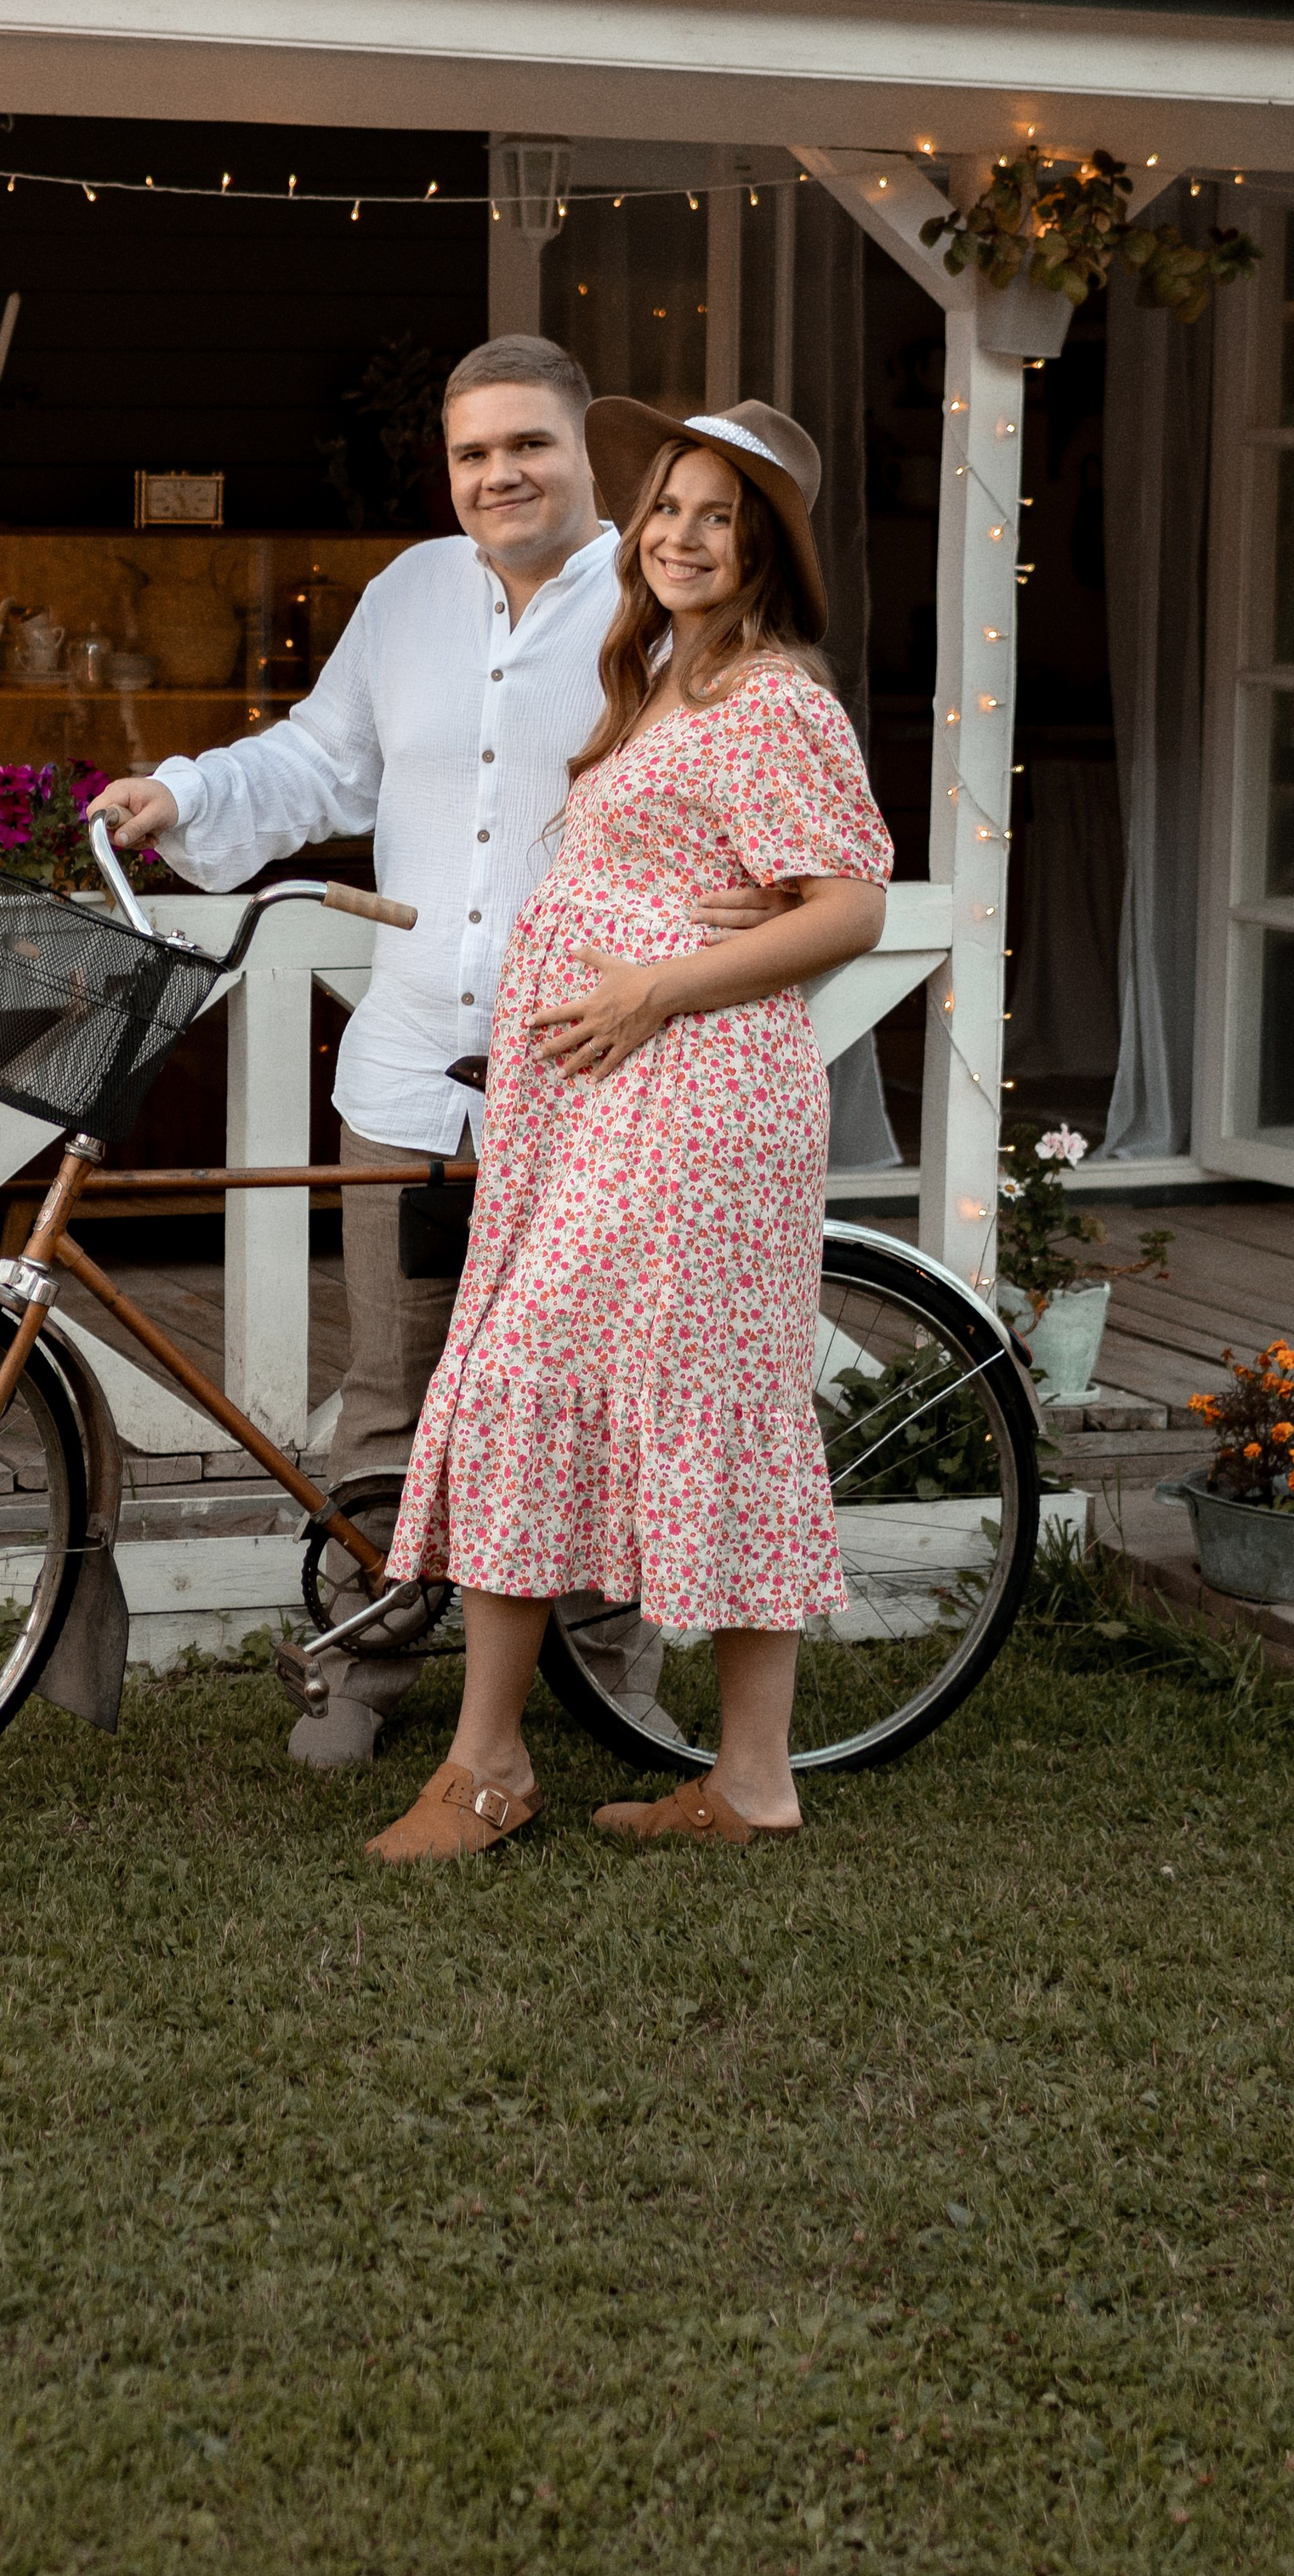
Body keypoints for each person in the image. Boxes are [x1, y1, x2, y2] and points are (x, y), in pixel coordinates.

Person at [87, 337, 793, 1764]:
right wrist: (184, 789)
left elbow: (754, 768)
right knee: (393, 1387)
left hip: (596, 1076)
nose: (499, 475)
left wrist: (761, 897)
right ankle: (369, 1657)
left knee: (595, 1385)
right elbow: (322, 757)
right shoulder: (408, 594)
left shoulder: (659, 599)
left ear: (591, 455)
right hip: (409, 1068)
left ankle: (609, 1664)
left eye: (527, 444)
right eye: (474, 453)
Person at [366, 396, 894, 1865]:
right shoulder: (664, 671)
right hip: (617, 1096)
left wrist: (657, 982)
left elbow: (852, 902)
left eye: (718, 514)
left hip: (699, 1102)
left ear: (767, 543)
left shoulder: (775, 694)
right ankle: (746, 1782)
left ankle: (489, 1767)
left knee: (558, 1377)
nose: (679, 535)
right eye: (666, 505)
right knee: (646, 1392)